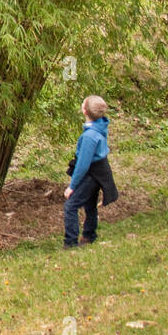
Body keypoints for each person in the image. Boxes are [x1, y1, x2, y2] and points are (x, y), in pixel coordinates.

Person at [63, 95, 118, 248]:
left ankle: (70, 242)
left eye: (83, 103)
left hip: (92, 174)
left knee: (70, 206)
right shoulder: (100, 125)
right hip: (100, 172)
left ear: (85, 110)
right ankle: (89, 236)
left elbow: (83, 165)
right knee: (90, 204)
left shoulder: (89, 136)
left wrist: (72, 186)